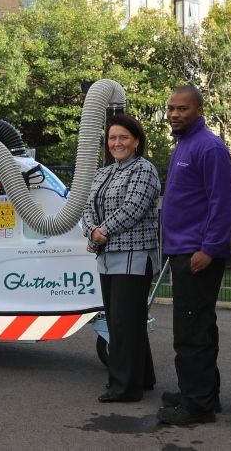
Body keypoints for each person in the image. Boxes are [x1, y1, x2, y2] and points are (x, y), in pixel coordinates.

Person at [156, 85, 231, 425]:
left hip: (197, 254)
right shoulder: (184, 144)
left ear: (199, 112)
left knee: (190, 330)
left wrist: (209, 249)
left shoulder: (209, 147)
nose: (174, 114)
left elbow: (223, 202)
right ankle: (202, 392)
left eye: (182, 109)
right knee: (198, 325)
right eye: (171, 108)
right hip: (182, 250)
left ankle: (197, 405)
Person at [83, 113, 159, 403]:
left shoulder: (144, 169)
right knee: (121, 321)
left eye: (123, 137)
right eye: (113, 138)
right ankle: (143, 378)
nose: (117, 143)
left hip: (134, 257)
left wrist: (101, 231)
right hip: (107, 256)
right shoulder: (104, 172)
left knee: (126, 322)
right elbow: (87, 207)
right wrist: (92, 232)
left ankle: (124, 388)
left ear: (136, 141)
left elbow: (134, 208)